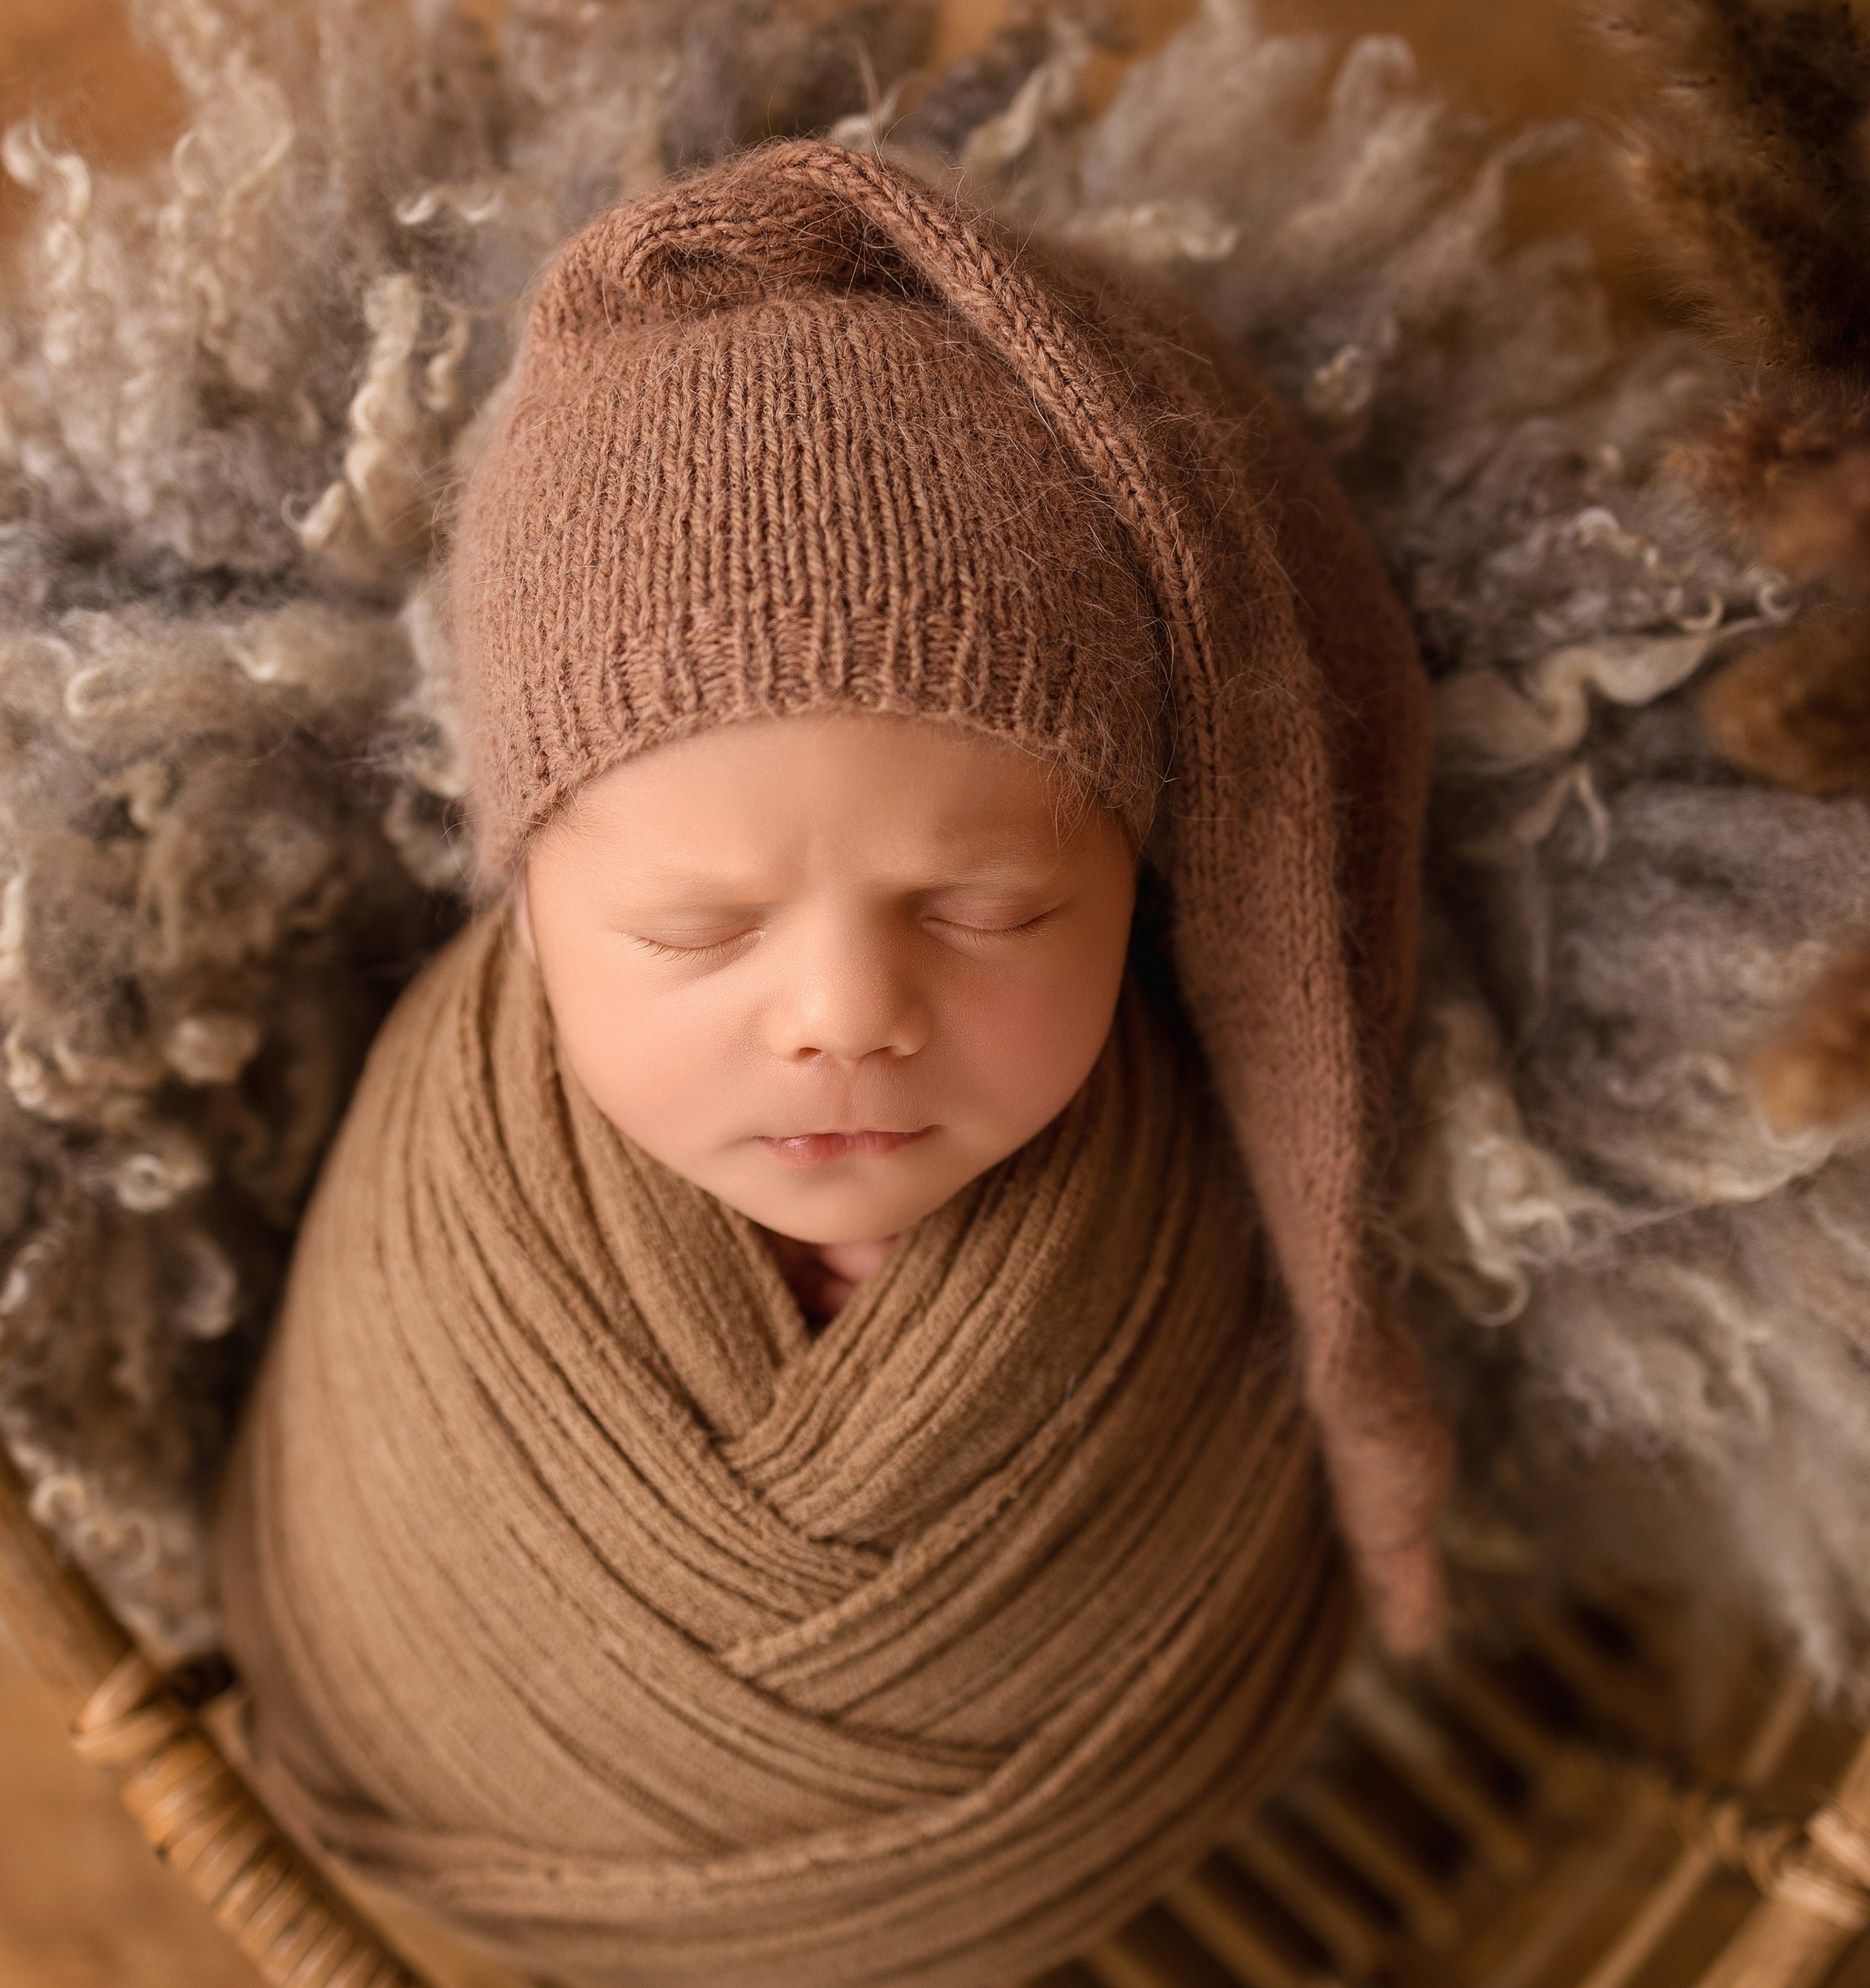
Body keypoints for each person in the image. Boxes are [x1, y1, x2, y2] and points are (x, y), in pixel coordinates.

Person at [215, 137, 1447, 1988]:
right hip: (446, 1779)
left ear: (1149, 882)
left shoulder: (1189, 1147)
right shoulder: (455, 1136)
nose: (843, 1013)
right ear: (523, 908)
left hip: (1105, 1826)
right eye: (696, 930)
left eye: (988, 909)